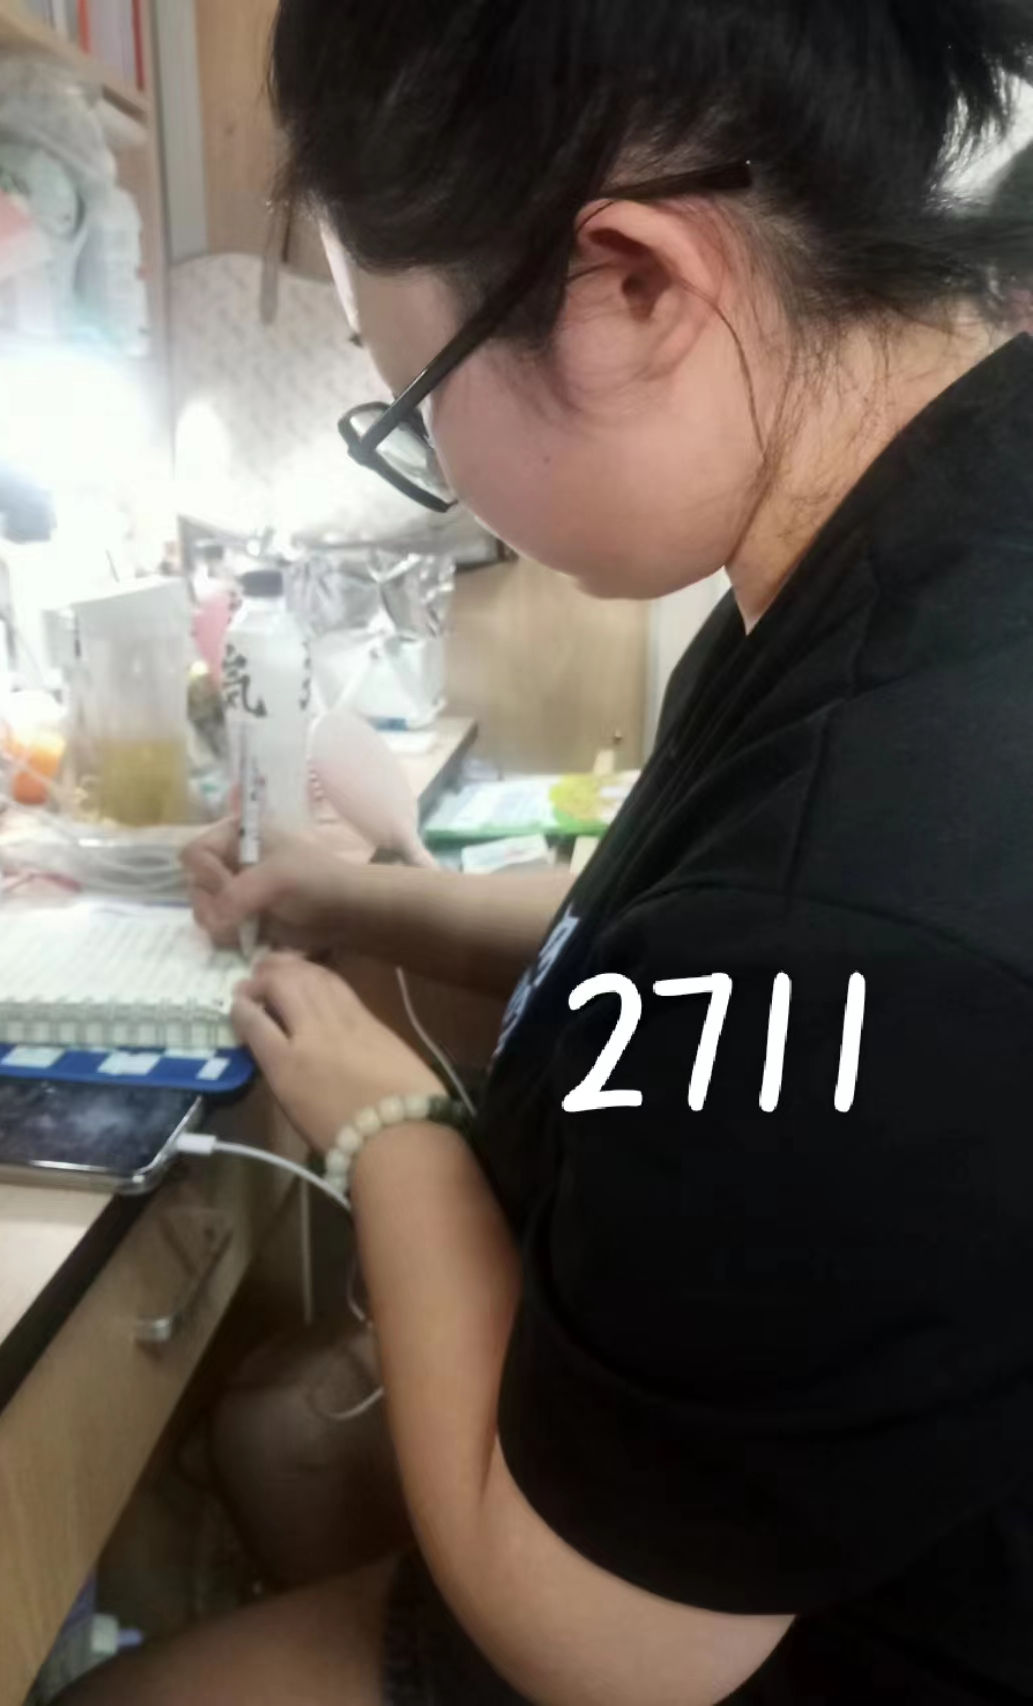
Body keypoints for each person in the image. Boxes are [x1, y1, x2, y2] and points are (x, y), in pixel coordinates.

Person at [71, 3, 1033, 1702]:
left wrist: (391, 1132)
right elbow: (671, 954)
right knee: (286, 1444)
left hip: (784, 1637)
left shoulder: (858, 890)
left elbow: (594, 1644)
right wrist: (366, 896)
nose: (436, 467)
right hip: (822, 1509)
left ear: (631, 284)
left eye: (411, 403)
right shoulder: (919, 519)